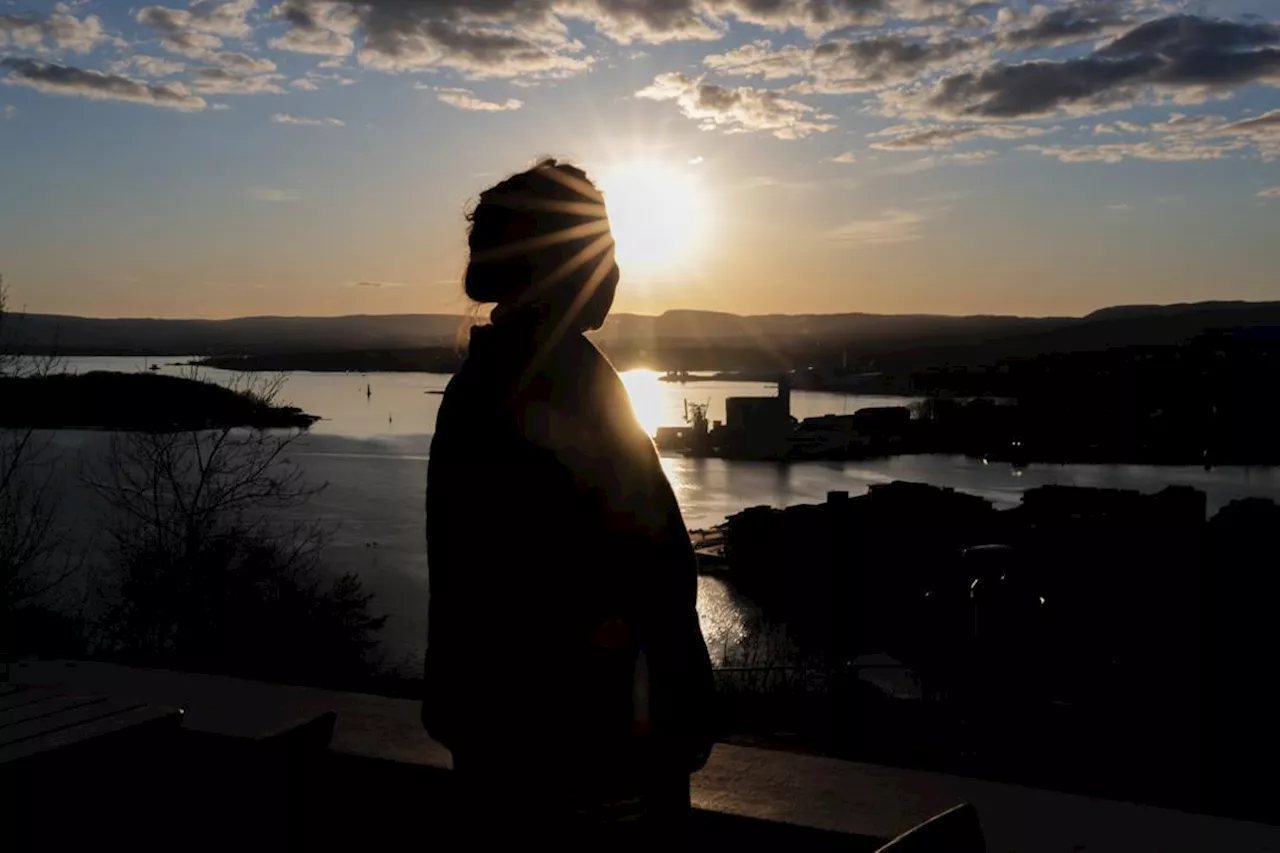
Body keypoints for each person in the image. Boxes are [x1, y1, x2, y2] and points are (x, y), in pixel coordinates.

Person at [423, 158, 716, 845]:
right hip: (582, 752)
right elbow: (637, 568)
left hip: (524, 742)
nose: (615, 270)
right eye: (602, 249)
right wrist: (672, 710)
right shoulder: (559, 385)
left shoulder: (493, 380)